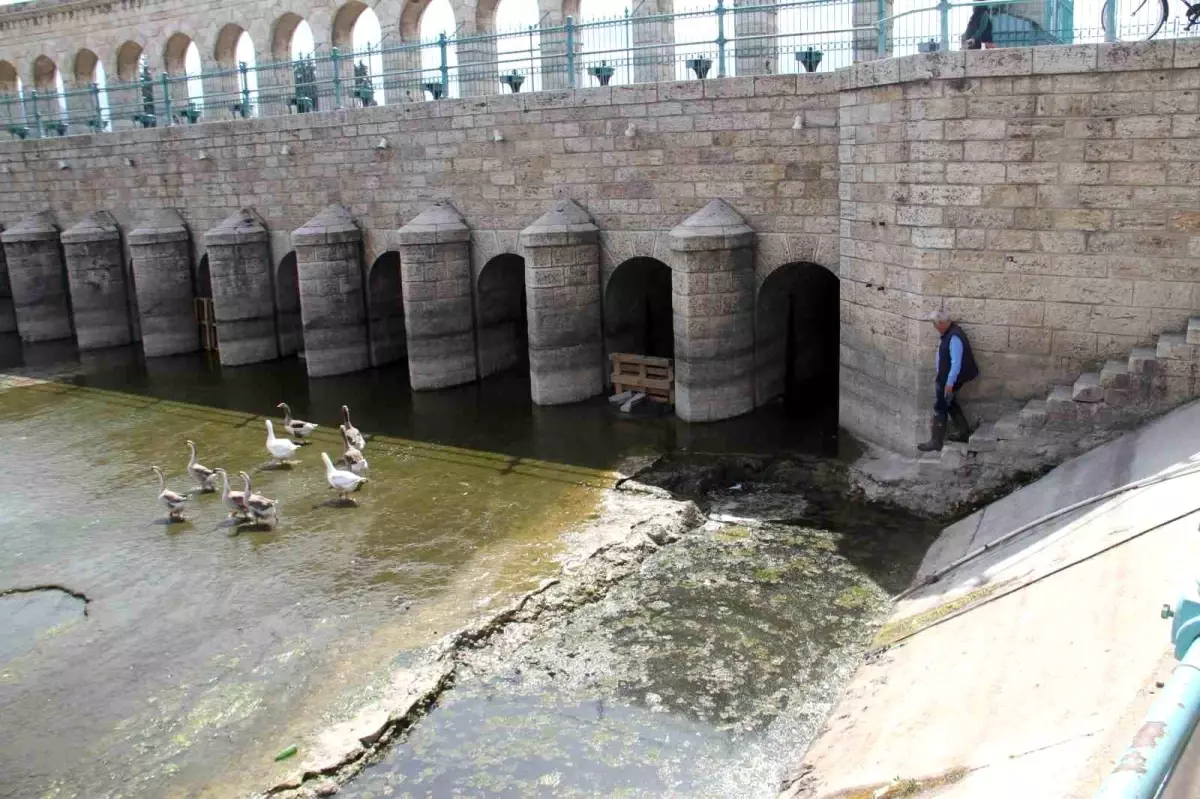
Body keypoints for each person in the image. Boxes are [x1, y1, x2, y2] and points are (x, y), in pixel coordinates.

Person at [918, 309, 979, 453]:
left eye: (935, 325)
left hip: (949, 379)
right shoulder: (950, 332)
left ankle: (936, 442)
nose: (935, 328)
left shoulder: (954, 337)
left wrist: (949, 383)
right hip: (946, 376)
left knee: (941, 406)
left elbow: (956, 362)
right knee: (950, 403)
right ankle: (963, 433)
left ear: (941, 323)